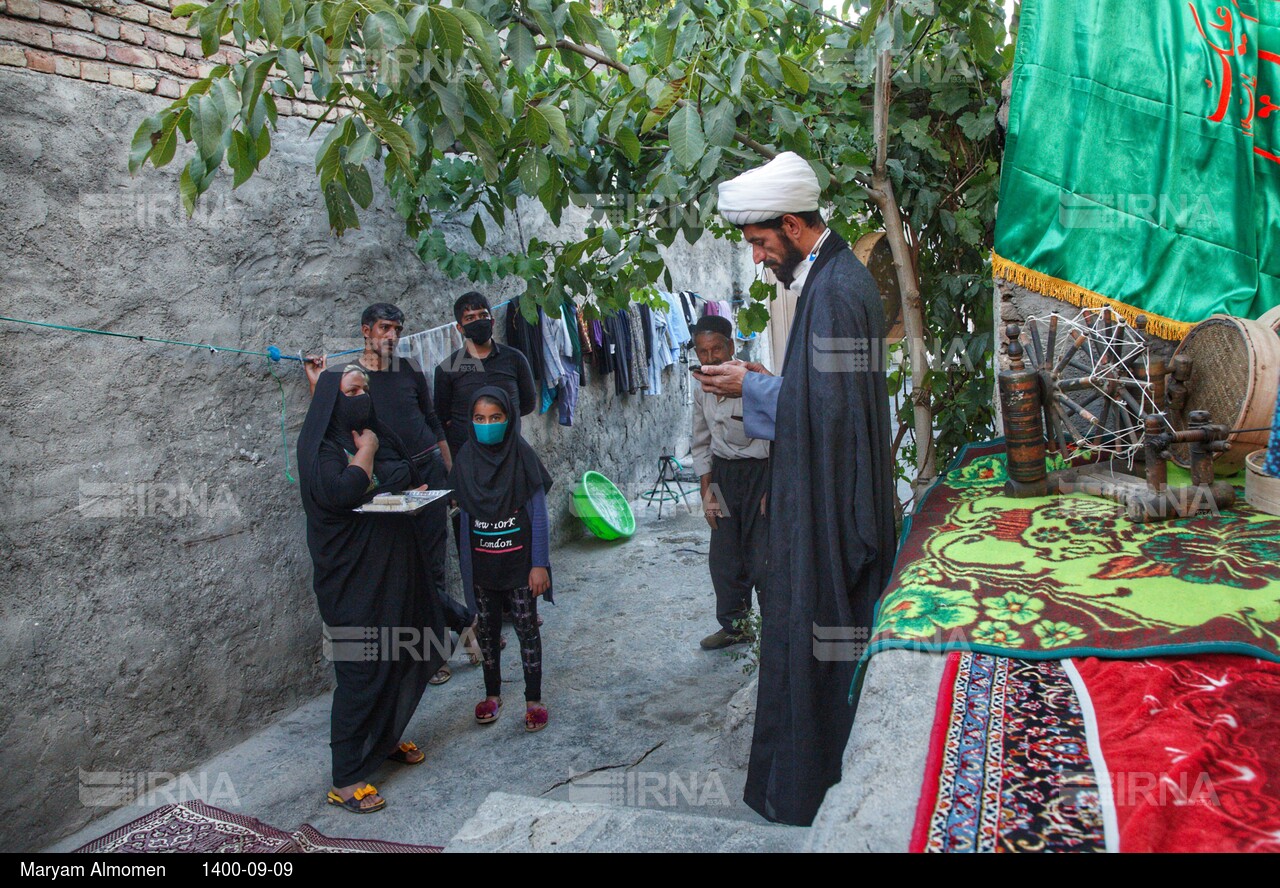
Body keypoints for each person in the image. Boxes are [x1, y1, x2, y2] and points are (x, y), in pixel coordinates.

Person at [696, 151, 896, 826]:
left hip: (832, 519)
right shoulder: (833, 277)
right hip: (828, 501)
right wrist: (764, 381)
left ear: (791, 224)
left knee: (814, 648)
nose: (755, 258)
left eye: (759, 243)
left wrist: (752, 386)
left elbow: (832, 416)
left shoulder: (837, 289)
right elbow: (825, 396)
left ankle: (808, 793)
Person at [296, 365, 444, 813]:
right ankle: (344, 780)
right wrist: (368, 453)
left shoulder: (370, 434)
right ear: (330, 400)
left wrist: (395, 483)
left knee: (398, 655)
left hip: (390, 573)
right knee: (361, 672)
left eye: (364, 389)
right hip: (351, 582)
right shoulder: (320, 449)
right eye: (351, 390)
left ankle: (382, 741)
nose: (361, 397)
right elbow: (343, 491)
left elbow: (400, 473)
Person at [306, 303, 462, 685]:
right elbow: (333, 416)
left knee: (434, 562)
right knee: (402, 568)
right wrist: (315, 382)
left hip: (428, 470)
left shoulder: (408, 369)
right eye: (384, 328)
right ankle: (423, 649)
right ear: (366, 331)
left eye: (397, 329)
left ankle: (436, 652)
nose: (392, 336)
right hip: (387, 480)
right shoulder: (351, 378)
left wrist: (450, 473)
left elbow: (431, 422)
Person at [447, 386, 554, 733]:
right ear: (470, 421)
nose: (487, 424)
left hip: (520, 566)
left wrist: (539, 564)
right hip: (483, 568)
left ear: (509, 420)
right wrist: (468, 576)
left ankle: (533, 698)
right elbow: (462, 523)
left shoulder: (522, 456)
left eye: (495, 418)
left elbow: (538, 514)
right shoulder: (464, 460)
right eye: (479, 419)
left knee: (526, 630)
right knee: (489, 634)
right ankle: (492, 694)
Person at [689, 315, 771, 651]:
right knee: (724, 558)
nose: (709, 359)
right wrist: (707, 490)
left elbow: (779, 437)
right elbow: (701, 439)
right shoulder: (700, 385)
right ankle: (736, 627)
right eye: (702, 352)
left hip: (761, 474)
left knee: (764, 557)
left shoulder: (754, 381)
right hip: (724, 474)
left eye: (716, 349)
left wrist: (774, 487)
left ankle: (773, 629)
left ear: (731, 347)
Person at [434, 291, 537, 461]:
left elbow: (527, 404)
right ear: (460, 328)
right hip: (467, 457)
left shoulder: (515, 359)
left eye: (483, 315)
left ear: (492, 321)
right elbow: (442, 417)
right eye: (470, 318)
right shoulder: (446, 369)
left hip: (510, 452)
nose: (478, 321)